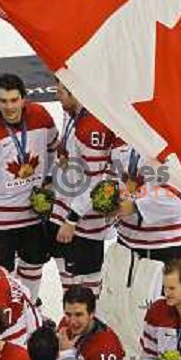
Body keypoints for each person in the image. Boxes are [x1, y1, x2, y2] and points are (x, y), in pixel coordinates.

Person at [0, 73, 58, 301]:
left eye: (14, 100)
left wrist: (48, 179)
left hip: (33, 214)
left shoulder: (41, 117)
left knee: (34, 264)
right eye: (3, 101)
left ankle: (30, 309)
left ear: (24, 98)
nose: (9, 107)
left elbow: (54, 149)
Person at [97, 146, 181, 357]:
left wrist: (135, 207)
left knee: (165, 318)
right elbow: (114, 183)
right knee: (122, 310)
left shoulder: (170, 150)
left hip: (166, 249)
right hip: (127, 247)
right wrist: (109, 202)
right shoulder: (121, 145)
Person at [49, 80, 121, 297]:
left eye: (61, 92)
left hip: (84, 219)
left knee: (87, 286)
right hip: (68, 207)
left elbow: (96, 179)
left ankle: (90, 326)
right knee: (70, 280)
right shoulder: (74, 114)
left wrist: (72, 219)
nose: (57, 97)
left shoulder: (93, 127)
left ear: (75, 92)